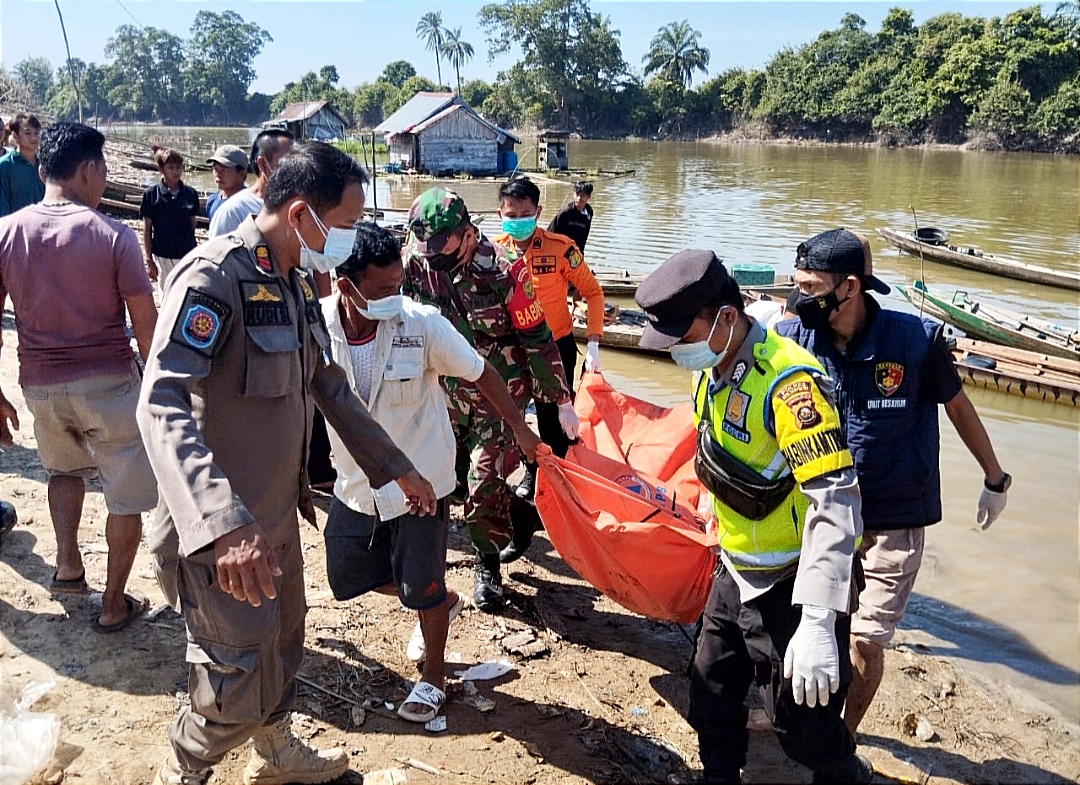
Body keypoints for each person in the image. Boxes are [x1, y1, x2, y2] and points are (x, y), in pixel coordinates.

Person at [137, 142, 437, 785]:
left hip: (274, 521)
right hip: (221, 535)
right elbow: (160, 404)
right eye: (349, 222)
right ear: (303, 213)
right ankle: (184, 770)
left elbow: (327, 384)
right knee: (231, 674)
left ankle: (275, 754)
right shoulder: (212, 277)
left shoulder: (291, 280)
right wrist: (223, 523)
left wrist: (397, 466)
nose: (353, 238)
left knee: (281, 646)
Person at [635, 249, 873, 784]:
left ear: (725, 316)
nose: (676, 348)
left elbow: (835, 501)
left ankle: (846, 775)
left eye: (682, 334)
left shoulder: (788, 385)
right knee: (710, 690)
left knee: (803, 725)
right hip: (736, 570)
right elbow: (719, 456)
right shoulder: (712, 370)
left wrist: (818, 617)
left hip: (793, 583)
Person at [776, 228, 1009, 738]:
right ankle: (803, 720)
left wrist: (995, 479)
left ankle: (845, 736)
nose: (801, 298)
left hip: (894, 520)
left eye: (812, 287)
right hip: (821, 515)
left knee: (865, 640)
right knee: (817, 622)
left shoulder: (915, 342)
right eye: (799, 285)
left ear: (851, 288)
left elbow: (958, 408)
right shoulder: (794, 338)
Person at [322, 221, 542, 723]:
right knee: (347, 576)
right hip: (356, 483)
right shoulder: (317, 328)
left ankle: (434, 677)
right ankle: (443, 603)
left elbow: (482, 372)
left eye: (397, 286)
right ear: (344, 285)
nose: (393, 299)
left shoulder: (421, 324)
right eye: (380, 291)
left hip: (424, 481)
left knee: (420, 585)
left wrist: (522, 431)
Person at [0, 122, 159, 632]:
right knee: (125, 495)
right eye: (104, 170)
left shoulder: (8, 232)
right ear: (90, 170)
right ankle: (114, 603)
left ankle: (68, 564)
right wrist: (161, 389)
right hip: (109, 383)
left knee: (62, 472)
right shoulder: (113, 236)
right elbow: (146, 325)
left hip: (39, 384)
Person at [402, 187, 576, 612]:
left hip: (500, 394)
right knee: (452, 480)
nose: (432, 262)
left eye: (440, 252)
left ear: (465, 235)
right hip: (445, 392)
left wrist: (559, 399)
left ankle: (487, 565)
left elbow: (538, 339)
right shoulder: (416, 260)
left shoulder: (505, 272)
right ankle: (518, 513)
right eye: (426, 252)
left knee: (482, 484)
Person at [492, 177, 604, 528]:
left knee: (553, 421)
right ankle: (530, 472)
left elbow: (594, 293)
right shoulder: (491, 252)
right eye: (511, 214)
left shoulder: (560, 248)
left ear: (538, 212)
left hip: (555, 347)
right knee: (510, 417)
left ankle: (553, 487)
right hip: (512, 351)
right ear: (500, 213)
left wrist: (596, 341)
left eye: (526, 213)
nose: (518, 219)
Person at [209, 128, 294, 238]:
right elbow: (217, 253)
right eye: (288, 163)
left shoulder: (298, 207)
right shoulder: (233, 212)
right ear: (263, 164)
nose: (296, 168)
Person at [140, 148, 199, 287]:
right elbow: (147, 230)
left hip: (187, 252)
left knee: (186, 288)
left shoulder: (190, 194)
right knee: (166, 290)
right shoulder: (151, 195)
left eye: (179, 168)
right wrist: (149, 260)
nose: (176, 172)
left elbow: (192, 224)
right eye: (171, 168)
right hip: (163, 254)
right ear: (161, 169)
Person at [0, 113, 45, 217]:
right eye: (28, 133)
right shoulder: (4, 166)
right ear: (15, 136)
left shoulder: (44, 166)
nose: (34, 138)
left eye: (36, 133)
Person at [547, 180, 594, 252]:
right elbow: (550, 234)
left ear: (589, 196)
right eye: (577, 194)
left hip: (577, 254)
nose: (579, 198)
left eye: (583, 195)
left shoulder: (589, 213)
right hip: (561, 252)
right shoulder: (565, 213)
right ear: (573, 194)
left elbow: (585, 236)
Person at [204, 144, 248, 220]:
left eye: (224, 170)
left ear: (242, 173)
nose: (218, 174)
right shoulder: (212, 201)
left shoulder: (250, 204)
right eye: (215, 169)